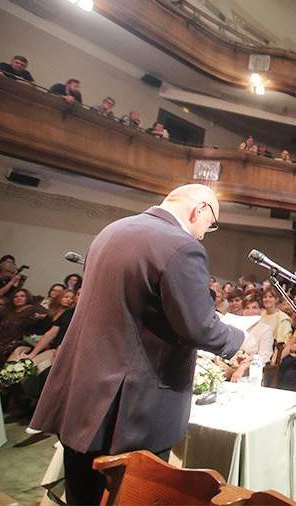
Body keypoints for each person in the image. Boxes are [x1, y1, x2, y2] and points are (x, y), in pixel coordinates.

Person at [29, 184, 245, 506]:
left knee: (82, 494)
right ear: (199, 209)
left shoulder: (111, 231)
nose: (205, 233)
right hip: (129, 406)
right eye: (210, 224)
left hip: (82, 391)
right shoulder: (181, 246)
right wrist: (239, 338)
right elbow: (198, 326)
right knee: (131, 496)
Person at [0, 289, 49, 370]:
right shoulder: (9, 310)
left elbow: (49, 317)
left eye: (22, 296)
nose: (18, 298)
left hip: (16, 340)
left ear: (28, 297)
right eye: (16, 296)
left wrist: (41, 317)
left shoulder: (34, 309)